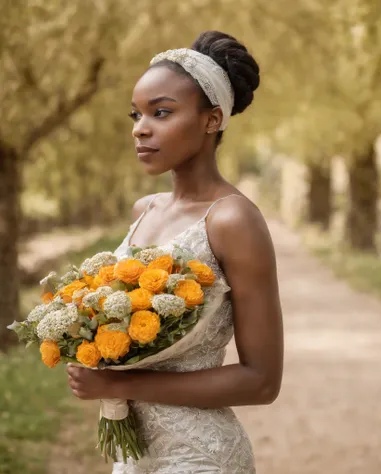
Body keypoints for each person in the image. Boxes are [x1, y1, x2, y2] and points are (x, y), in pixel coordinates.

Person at [67, 30, 284, 473]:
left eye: (161, 112)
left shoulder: (232, 220)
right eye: (137, 114)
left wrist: (118, 382)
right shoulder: (143, 211)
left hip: (199, 456)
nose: (140, 128)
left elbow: (261, 381)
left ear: (212, 119)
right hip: (133, 456)